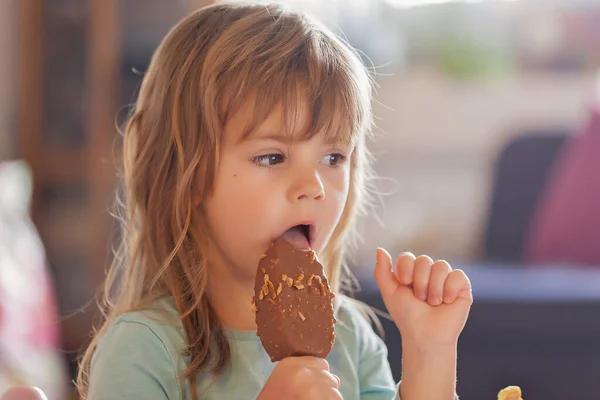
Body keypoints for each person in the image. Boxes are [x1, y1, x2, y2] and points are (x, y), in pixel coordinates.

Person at [77, 3, 473, 399]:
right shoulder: (144, 350)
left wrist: (428, 351)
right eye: (272, 157)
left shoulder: (350, 339)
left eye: (333, 158)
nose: (313, 185)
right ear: (188, 175)